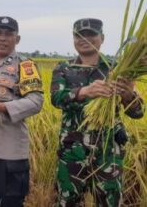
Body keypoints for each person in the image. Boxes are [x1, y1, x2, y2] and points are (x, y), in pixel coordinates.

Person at [50, 18, 144, 206]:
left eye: (91, 34)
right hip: (72, 150)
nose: (84, 39)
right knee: (68, 201)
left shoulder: (117, 69)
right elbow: (56, 98)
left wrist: (127, 95)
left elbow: (137, 112)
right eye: (79, 35)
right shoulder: (64, 68)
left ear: (102, 38)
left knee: (110, 201)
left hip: (108, 150)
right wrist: (84, 92)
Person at [0, 16, 44, 207]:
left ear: (17, 39)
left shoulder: (25, 66)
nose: (2, 38)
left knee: (10, 202)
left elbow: (36, 101)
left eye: (8, 34)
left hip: (10, 152)